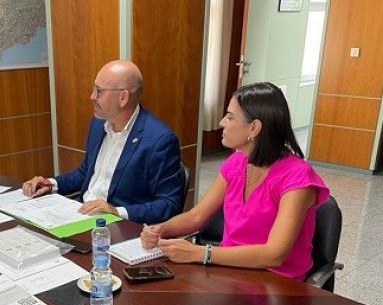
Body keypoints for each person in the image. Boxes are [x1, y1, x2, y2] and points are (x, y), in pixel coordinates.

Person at [141, 82, 329, 280]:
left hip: (276, 284)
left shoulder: (297, 177)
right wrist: (161, 229)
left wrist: (201, 253)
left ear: (254, 128)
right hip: (228, 271)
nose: (222, 122)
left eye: (230, 117)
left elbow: (274, 255)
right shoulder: (237, 162)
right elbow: (196, 217)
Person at [22, 60, 183, 225]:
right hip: (81, 216)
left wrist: (116, 211)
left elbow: (169, 204)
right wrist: (51, 183)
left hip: (118, 228)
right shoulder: (99, 123)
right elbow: (87, 173)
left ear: (123, 97)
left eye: (99, 91)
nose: (91, 96)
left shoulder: (159, 140)